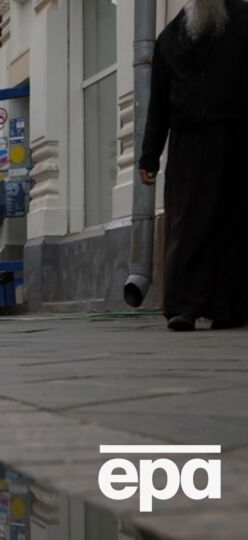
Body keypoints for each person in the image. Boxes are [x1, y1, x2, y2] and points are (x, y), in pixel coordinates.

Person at [139, 0, 248, 331]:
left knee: (233, 223)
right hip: (188, 142)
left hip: (237, 136)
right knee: (187, 224)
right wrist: (149, 156)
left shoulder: (244, 20)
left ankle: (229, 308)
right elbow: (158, 103)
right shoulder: (169, 37)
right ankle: (183, 306)